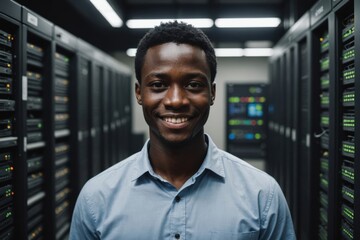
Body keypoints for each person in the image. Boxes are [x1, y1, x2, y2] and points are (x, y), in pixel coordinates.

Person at [69, 21, 296, 240]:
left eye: (193, 84)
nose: (176, 101)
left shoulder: (262, 196)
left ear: (212, 93)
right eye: (158, 85)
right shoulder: (96, 198)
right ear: (139, 93)